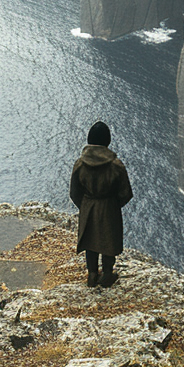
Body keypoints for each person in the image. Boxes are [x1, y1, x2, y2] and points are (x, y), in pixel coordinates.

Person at [69, 120, 133, 288]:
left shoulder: (80, 164)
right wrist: (114, 204)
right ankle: (107, 274)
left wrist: (84, 205)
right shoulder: (115, 165)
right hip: (109, 206)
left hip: (88, 205)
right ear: (108, 141)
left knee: (90, 241)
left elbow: (74, 192)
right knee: (108, 241)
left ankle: (91, 273)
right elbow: (126, 192)